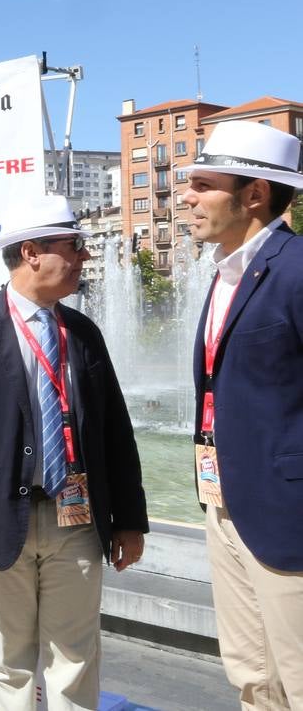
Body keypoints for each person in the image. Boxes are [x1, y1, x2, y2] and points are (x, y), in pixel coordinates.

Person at [0, 193, 148, 711]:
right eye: (73, 246)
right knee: (10, 660)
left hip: (77, 521)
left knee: (75, 656)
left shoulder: (83, 333)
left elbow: (115, 431)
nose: (83, 257)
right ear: (31, 252)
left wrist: (129, 520)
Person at [180, 121, 303, 707]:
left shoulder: (296, 270)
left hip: (288, 519)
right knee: (251, 676)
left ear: (254, 194)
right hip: (224, 502)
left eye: (204, 185)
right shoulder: (227, 272)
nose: (186, 197)